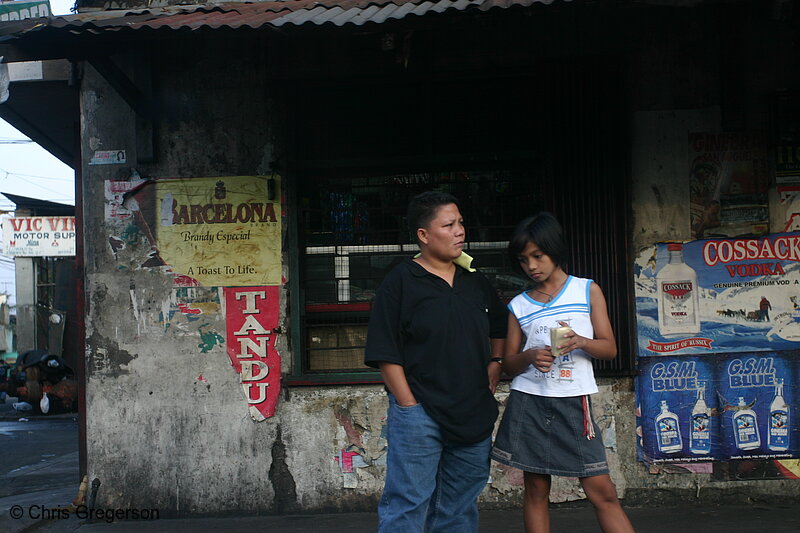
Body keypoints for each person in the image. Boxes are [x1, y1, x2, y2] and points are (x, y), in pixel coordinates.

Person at [365, 191, 507, 533]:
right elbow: (385, 350)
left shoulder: (475, 281)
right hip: (421, 413)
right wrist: (408, 404)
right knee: (408, 505)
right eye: (448, 225)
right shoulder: (401, 282)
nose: (459, 231)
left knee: (458, 509)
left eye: (460, 223)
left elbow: (499, 325)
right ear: (424, 236)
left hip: (472, 412)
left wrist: (497, 361)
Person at [491, 212, 635, 533]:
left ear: (555, 250)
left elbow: (610, 348)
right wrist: (530, 356)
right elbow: (507, 365)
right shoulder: (519, 305)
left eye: (538, 256)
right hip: (529, 402)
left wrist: (581, 341)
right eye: (524, 259)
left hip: (574, 403)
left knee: (603, 491)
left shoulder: (586, 290)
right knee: (536, 490)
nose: (531, 266)